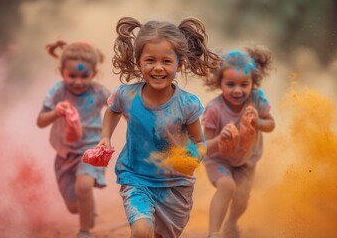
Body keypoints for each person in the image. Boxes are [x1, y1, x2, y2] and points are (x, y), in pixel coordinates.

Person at [95, 16, 220, 238]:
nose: (158, 68)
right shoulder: (127, 95)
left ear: (179, 64)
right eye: (150, 60)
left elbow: (200, 142)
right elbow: (113, 109)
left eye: (166, 61)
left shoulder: (188, 105)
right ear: (138, 61)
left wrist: (193, 158)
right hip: (136, 179)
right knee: (142, 231)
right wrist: (105, 138)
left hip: (176, 187)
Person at [36, 40, 110, 238]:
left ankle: (84, 232)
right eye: (72, 76)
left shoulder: (99, 92)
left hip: (91, 149)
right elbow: (40, 122)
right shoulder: (57, 91)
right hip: (64, 154)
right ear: (62, 72)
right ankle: (88, 209)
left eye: (85, 75)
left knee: (84, 186)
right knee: (73, 207)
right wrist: (55, 112)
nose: (78, 81)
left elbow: (118, 108)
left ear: (94, 73)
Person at [202, 47, 275, 238]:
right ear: (219, 83)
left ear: (253, 83)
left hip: (246, 160)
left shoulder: (257, 100)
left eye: (244, 84)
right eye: (230, 84)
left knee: (242, 198)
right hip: (218, 159)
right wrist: (221, 138)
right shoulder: (213, 109)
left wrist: (257, 122)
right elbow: (204, 146)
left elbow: (271, 124)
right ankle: (214, 233)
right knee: (227, 186)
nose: (237, 90)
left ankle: (232, 222)